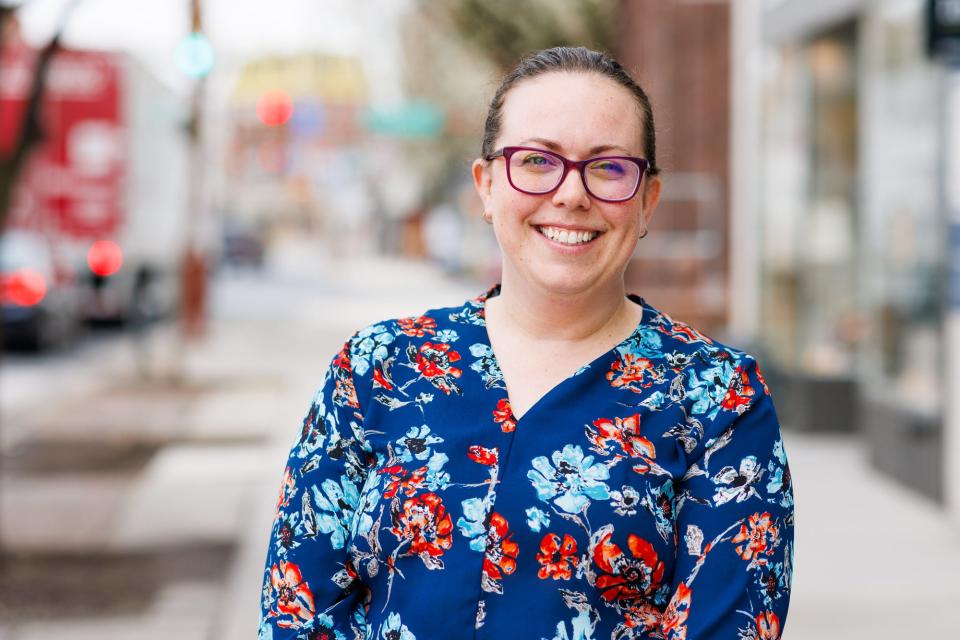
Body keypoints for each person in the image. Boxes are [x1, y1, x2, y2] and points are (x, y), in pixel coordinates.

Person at [258, 46, 794, 640]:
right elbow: (299, 612)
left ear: (647, 201)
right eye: (538, 161)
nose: (571, 194)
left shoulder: (718, 400)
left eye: (609, 167)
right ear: (486, 186)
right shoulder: (378, 370)